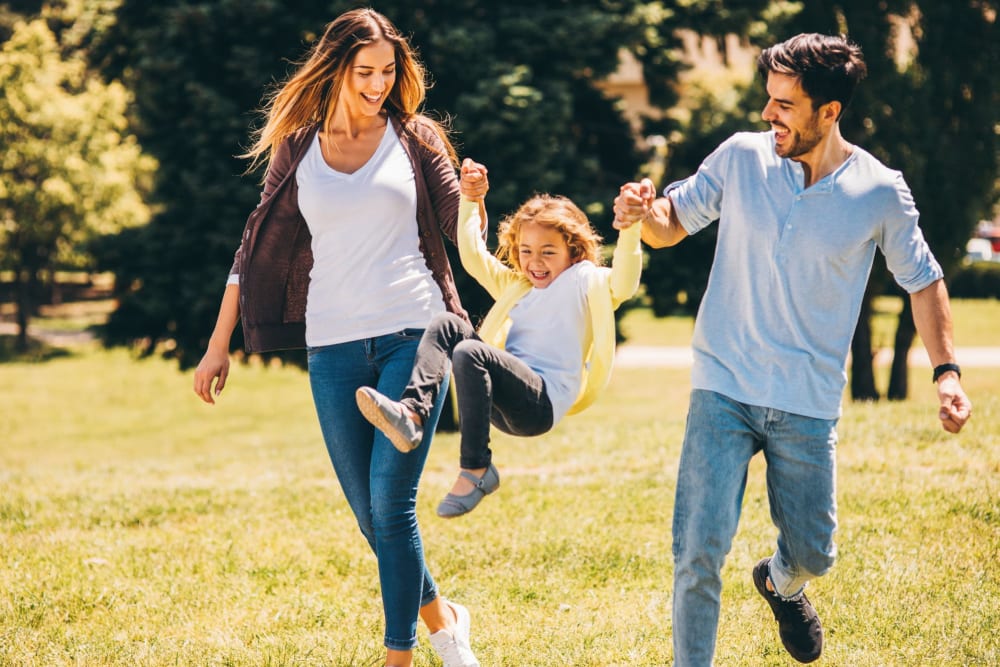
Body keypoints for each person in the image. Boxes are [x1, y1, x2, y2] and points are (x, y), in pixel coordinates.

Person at [613, 33, 972, 666]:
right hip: (723, 384)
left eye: (785, 104)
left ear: (829, 112)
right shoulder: (740, 158)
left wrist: (946, 371)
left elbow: (925, 280)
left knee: (815, 550)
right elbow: (673, 224)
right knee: (697, 550)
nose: (767, 114)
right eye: (768, 99)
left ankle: (781, 582)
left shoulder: (879, 192)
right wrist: (643, 214)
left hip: (805, 399)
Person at [192, 9, 483, 667]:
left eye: (388, 72)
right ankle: (446, 618)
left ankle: (402, 655)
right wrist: (219, 343)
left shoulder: (414, 139)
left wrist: (474, 201)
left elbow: (457, 229)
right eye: (365, 73)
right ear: (335, 69)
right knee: (370, 516)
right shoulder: (298, 148)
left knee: (393, 502)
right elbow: (254, 244)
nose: (379, 85)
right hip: (335, 349)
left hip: (416, 332)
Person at [356, 158, 643, 518]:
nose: (534, 262)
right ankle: (413, 413)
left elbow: (626, 282)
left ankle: (476, 468)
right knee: (447, 324)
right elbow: (473, 255)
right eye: (526, 251)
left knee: (471, 353)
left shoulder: (587, 281)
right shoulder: (518, 287)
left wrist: (631, 228)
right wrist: (470, 199)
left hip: (540, 404)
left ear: (574, 251)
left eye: (548, 252)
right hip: (499, 399)